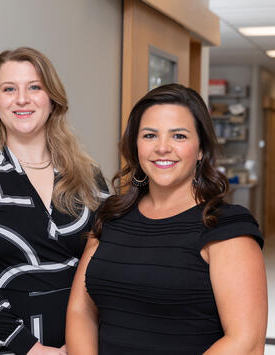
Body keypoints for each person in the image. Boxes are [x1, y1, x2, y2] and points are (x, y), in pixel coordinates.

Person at [66, 83, 267, 354]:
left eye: (179, 136)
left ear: (200, 150)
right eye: (149, 135)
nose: (162, 148)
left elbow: (245, 342)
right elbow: (81, 310)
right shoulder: (112, 215)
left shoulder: (226, 227)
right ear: (135, 146)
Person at [0, 47, 108, 355]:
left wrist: (87, 341)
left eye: (34, 87)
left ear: (52, 99)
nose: (22, 99)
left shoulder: (88, 175)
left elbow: (110, 259)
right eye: (9, 89)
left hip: (81, 340)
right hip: (3, 344)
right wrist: (30, 348)